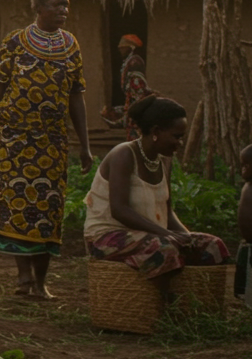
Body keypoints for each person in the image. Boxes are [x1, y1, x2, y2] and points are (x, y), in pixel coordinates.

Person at [0, 0, 93, 300]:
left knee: (49, 208)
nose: (63, 10)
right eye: (56, 4)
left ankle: (41, 282)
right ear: (38, 8)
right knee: (17, 207)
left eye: (65, 4)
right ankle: (23, 280)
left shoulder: (71, 45)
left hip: (52, 143)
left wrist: (85, 145)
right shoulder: (15, 43)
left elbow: (76, 98)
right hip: (14, 141)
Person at [84, 96, 228, 302]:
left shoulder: (164, 160)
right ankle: (164, 307)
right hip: (108, 236)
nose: (180, 143)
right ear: (156, 132)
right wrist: (166, 234)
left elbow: (168, 211)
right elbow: (119, 209)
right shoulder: (124, 155)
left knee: (213, 246)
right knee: (164, 249)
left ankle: (199, 307)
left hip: (152, 235)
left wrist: (186, 238)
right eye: (176, 136)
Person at [102, 34, 153, 140]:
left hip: (137, 109)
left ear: (131, 48)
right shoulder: (128, 62)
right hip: (133, 106)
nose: (120, 51)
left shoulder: (135, 63)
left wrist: (132, 110)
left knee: (136, 138)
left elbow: (138, 91)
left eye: (123, 48)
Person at [235, 143, 252, 308]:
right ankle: (251, 314)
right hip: (250, 246)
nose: (242, 169)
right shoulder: (249, 186)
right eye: (241, 165)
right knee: (251, 281)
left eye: (246, 165)